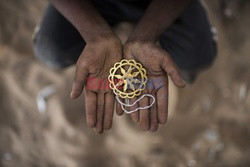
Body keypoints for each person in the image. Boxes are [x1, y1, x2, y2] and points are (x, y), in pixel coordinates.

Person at [33, 0, 217, 134]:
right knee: (50, 50)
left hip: (162, 6)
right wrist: (95, 34)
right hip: (89, 6)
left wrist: (146, 34)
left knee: (199, 57)